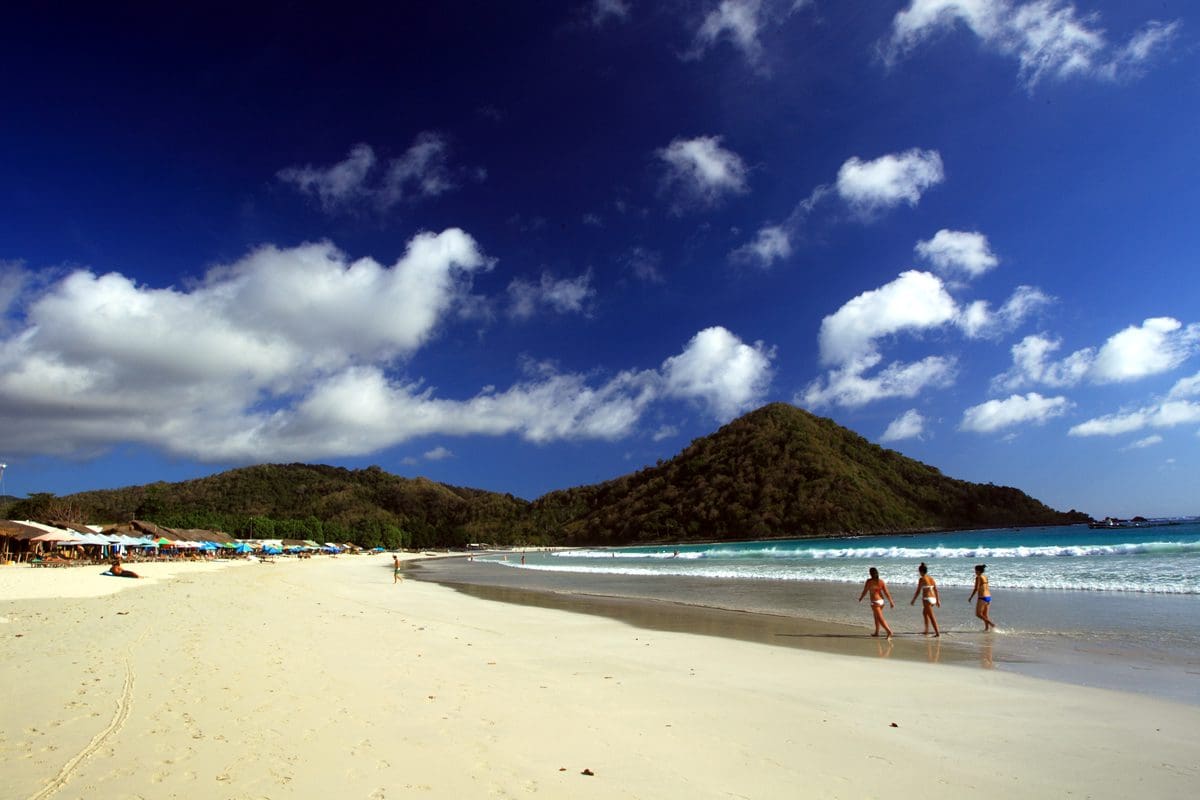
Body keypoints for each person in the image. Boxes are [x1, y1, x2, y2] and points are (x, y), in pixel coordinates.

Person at [857, 567, 895, 639]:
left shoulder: (869, 581)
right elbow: (886, 592)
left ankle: (889, 631)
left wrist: (861, 597)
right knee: (876, 617)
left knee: (880, 619)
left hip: (875, 602)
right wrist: (891, 601)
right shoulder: (881, 581)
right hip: (881, 601)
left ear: (870, 574)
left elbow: (865, 590)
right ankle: (877, 632)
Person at [909, 562, 940, 636]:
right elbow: (936, 589)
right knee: (924, 613)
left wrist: (913, 600)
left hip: (927, 599)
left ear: (921, 571)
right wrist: (938, 600)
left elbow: (918, 591)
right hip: (933, 599)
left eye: (919, 571)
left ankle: (937, 633)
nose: (919, 573)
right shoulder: (931, 578)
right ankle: (926, 630)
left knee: (931, 616)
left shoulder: (921, 579)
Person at [968, 563, 995, 631]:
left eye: (975, 571)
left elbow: (976, 588)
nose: (975, 572)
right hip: (988, 597)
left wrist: (971, 597)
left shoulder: (978, 577)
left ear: (979, 571)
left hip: (982, 597)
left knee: (978, 614)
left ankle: (991, 624)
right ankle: (986, 628)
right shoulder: (985, 577)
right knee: (985, 614)